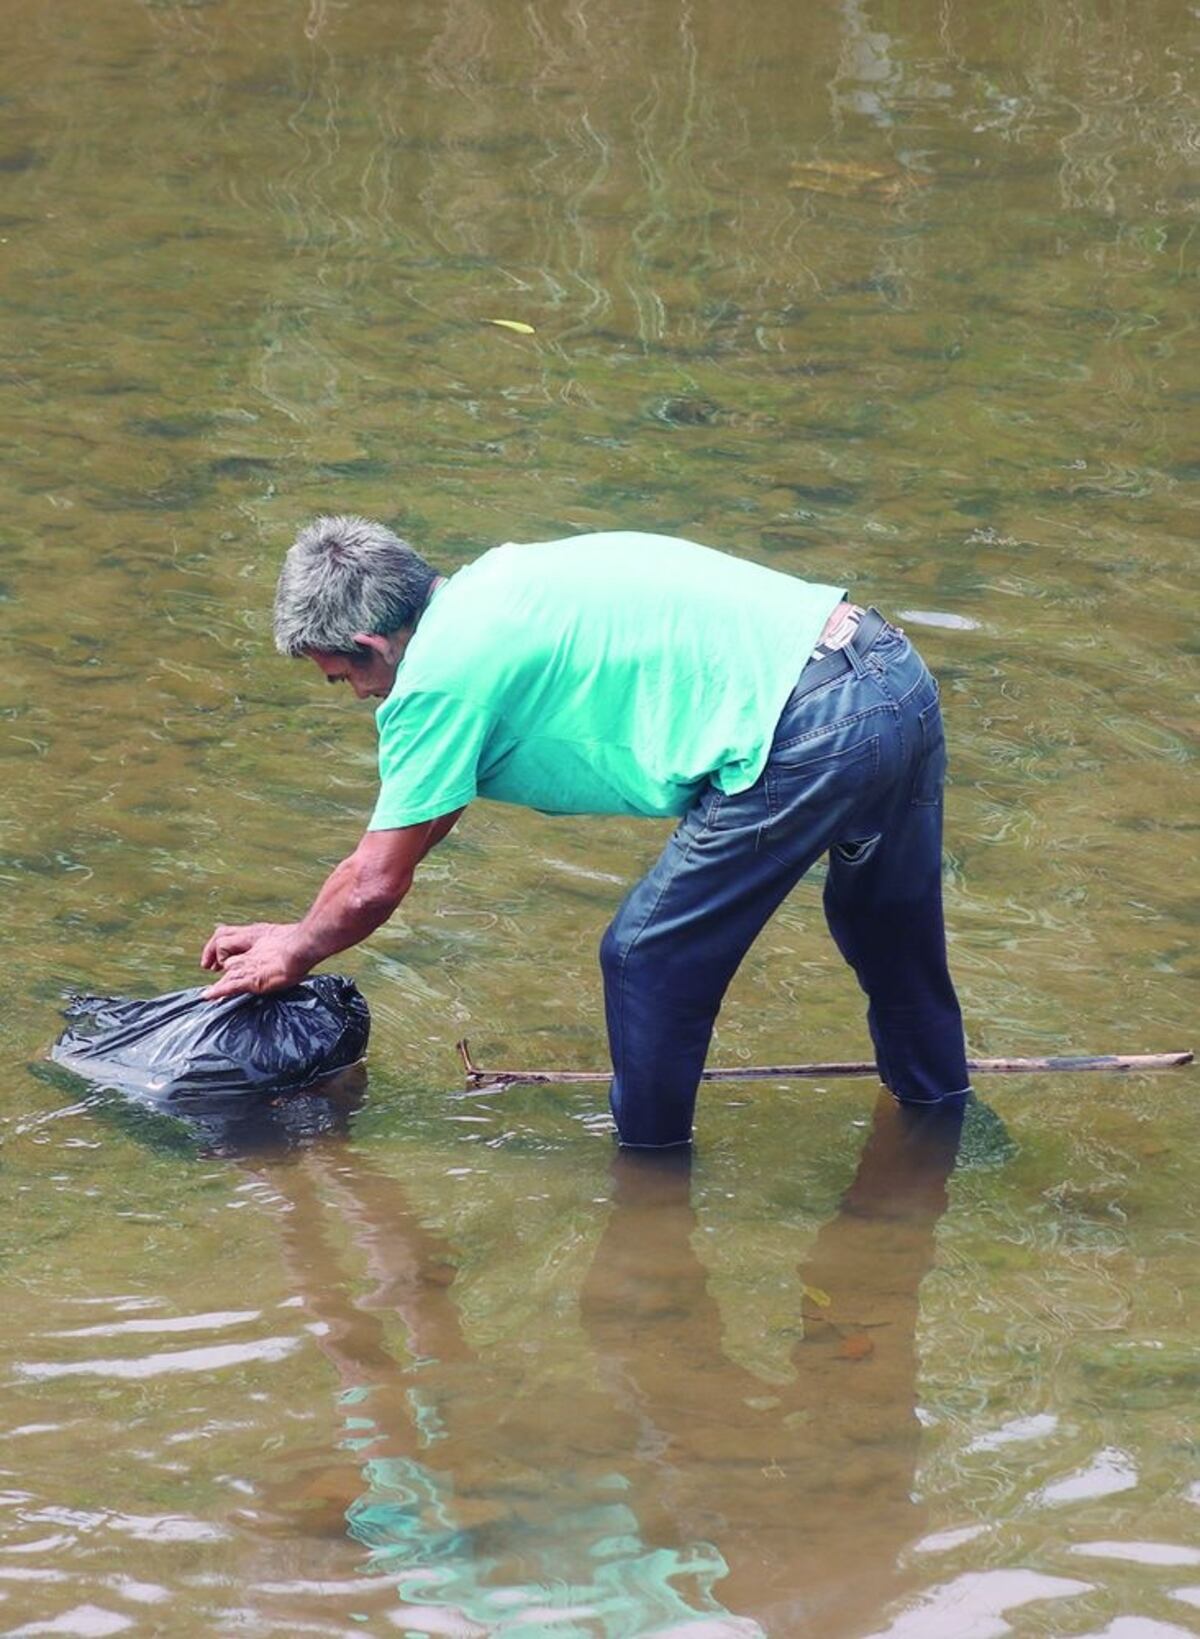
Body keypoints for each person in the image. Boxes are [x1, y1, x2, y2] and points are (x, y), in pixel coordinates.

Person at [202, 517, 970, 1145]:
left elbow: (377, 881)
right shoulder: (499, 582)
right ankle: (944, 1135)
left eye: (345, 679)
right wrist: (302, 930)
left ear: (371, 645)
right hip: (889, 672)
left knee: (645, 956)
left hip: (809, 726)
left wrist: (302, 948)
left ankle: (649, 1194)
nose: (360, 697)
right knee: (885, 929)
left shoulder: (437, 673)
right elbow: (416, 824)